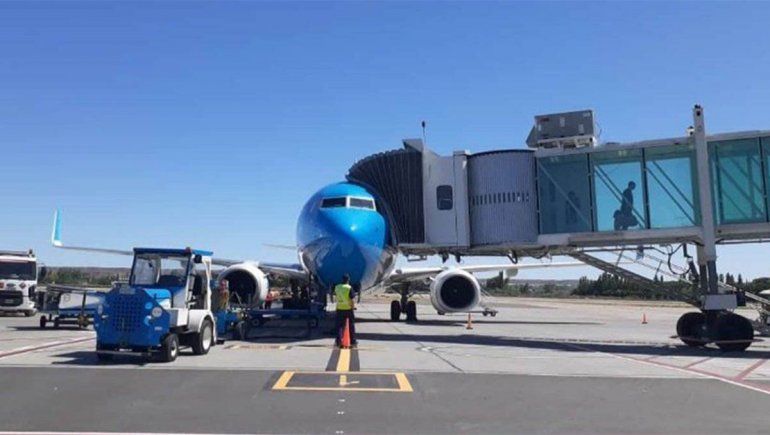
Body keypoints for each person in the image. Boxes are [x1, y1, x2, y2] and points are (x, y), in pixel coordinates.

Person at [334, 274, 357, 347]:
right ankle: (353, 341)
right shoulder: (349, 288)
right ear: (348, 280)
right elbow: (352, 299)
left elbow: (335, 295)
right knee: (351, 325)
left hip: (339, 309)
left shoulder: (337, 287)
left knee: (339, 326)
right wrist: (353, 307)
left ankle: (338, 341)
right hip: (348, 309)